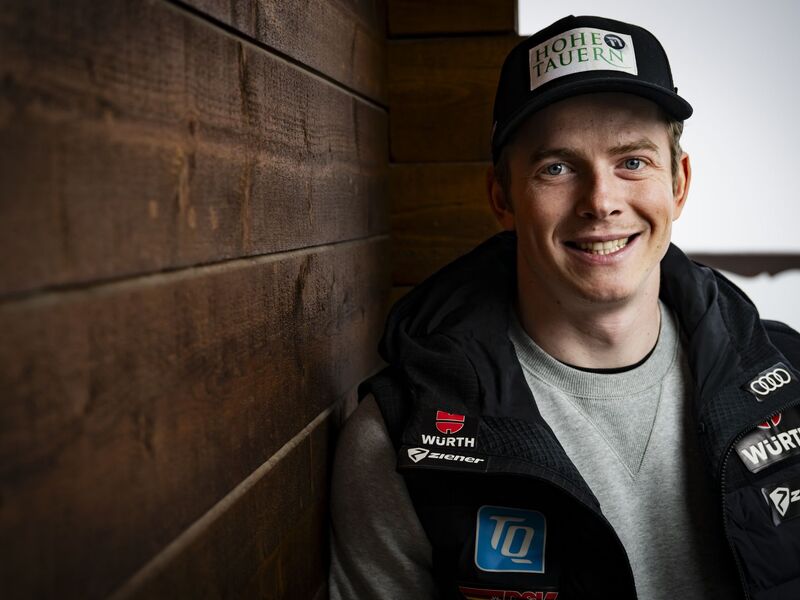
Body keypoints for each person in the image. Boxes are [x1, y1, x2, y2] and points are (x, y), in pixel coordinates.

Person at [330, 15, 800, 600]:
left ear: (679, 183)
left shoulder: (790, 380)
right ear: (502, 198)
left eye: (632, 162)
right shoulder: (399, 438)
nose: (601, 202)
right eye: (556, 167)